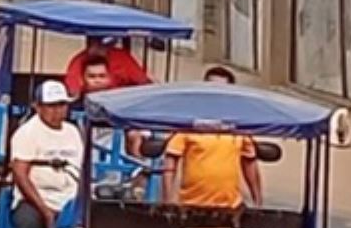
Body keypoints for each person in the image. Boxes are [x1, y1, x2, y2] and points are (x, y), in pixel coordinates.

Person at [160, 64, 262, 208]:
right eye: (211, 88)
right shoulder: (190, 124)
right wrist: (167, 200)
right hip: (191, 205)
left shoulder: (238, 127)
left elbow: (249, 163)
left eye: (221, 90)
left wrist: (258, 201)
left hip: (231, 207)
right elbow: (170, 163)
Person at [7, 80, 85, 228]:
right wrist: (45, 210)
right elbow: (20, 174)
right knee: (28, 224)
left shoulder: (73, 132)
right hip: (35, 200)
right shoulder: (27, 133)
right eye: (51, 106)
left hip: (69, 200)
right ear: (38, 107)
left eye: (62, 105)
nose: (57, 111)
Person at [62, 35, 151, 97]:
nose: (101, 46)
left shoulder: (122, 57)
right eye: (97, 41)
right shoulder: (79, 61)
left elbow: (143, 83)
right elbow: (73, 91)